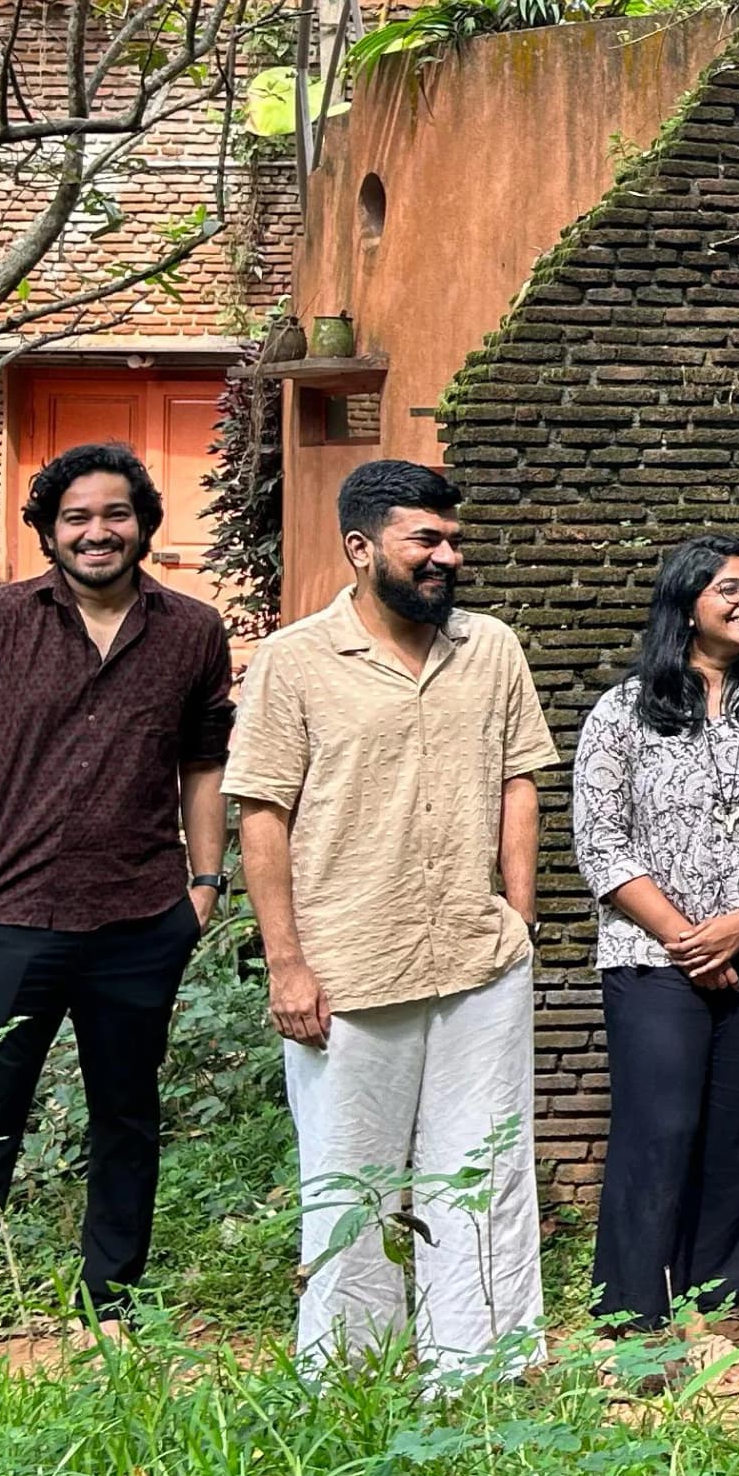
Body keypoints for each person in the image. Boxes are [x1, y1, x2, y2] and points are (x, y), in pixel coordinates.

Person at [0, 444, 237, 1362]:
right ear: (48, 530)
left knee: (126, 1116)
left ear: (144, 524)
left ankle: (111, 1304)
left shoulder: (192, 630)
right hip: (11, 917)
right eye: (76, 517)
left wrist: (203, 882)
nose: (97, 532)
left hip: (140, 918)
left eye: (115, 514)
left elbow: (204, 764)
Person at [228, 459, 560, 1377]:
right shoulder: (295, 661)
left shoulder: (490, 648)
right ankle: (351, 1376)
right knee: (350, 1185)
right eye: (426, 540)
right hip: (348, 964)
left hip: (477, 958)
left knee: (485, 1172)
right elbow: (263, 813)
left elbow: (517, 782)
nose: (446, 556)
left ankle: (482, 1366)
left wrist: (518, 916)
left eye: (453, 540)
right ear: (360, 547)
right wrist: (286, 962)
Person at [572, 537, 739, 1334]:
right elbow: (600, 841)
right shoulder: (622, 712)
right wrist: (689, 939)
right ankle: (633, 1314)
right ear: (687, 604)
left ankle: (720, 1294)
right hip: (651, 956)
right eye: (731, 588)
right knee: (660, 1125)